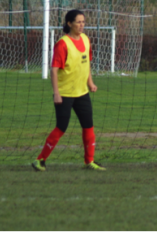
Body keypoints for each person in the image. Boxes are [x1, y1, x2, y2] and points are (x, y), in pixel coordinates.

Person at [32, 9, 104, 171]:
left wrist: (91, 83)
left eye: (83, 22)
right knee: (61, 127)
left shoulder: (86, 39)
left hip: (82, 93)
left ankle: (89, 162)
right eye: (78, 22)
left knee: (88, 126)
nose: (81, 25)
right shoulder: (63, 44)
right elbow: (54, 70)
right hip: (64, 94)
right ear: (69, 23)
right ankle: (40, 160)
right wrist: (56, 93)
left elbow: (86, 65)